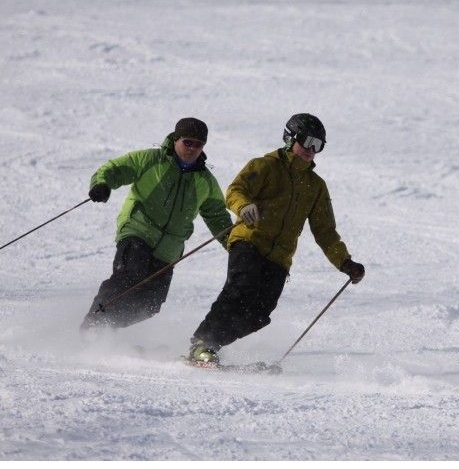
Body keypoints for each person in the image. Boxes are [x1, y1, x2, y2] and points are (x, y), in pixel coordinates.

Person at [188, 113, 365, 365]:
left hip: (280, 258)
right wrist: (244, 207)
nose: (311, 150)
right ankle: (204, 343)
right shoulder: (265, 166)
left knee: (259, 314)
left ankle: (212, 344)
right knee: (240, 291)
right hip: (249, 241)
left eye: (318, 145)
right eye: (307, 142)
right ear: (290, 138)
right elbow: (235, 191)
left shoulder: (315, 186)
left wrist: (345, 263)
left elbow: (324, 230)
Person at [80, 118, 233, 330]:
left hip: (169, 250)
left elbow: (217, 216)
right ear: (175, 139)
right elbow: (115, 168)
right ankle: (94, 325)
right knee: (128, 277)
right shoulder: (151, 160)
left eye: (198, 144)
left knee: (151, 303)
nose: (193, 148)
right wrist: (101, 184)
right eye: (188, 142)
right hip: (138, 230)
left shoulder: (205, 181)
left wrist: (235, 245)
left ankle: (108, 329)